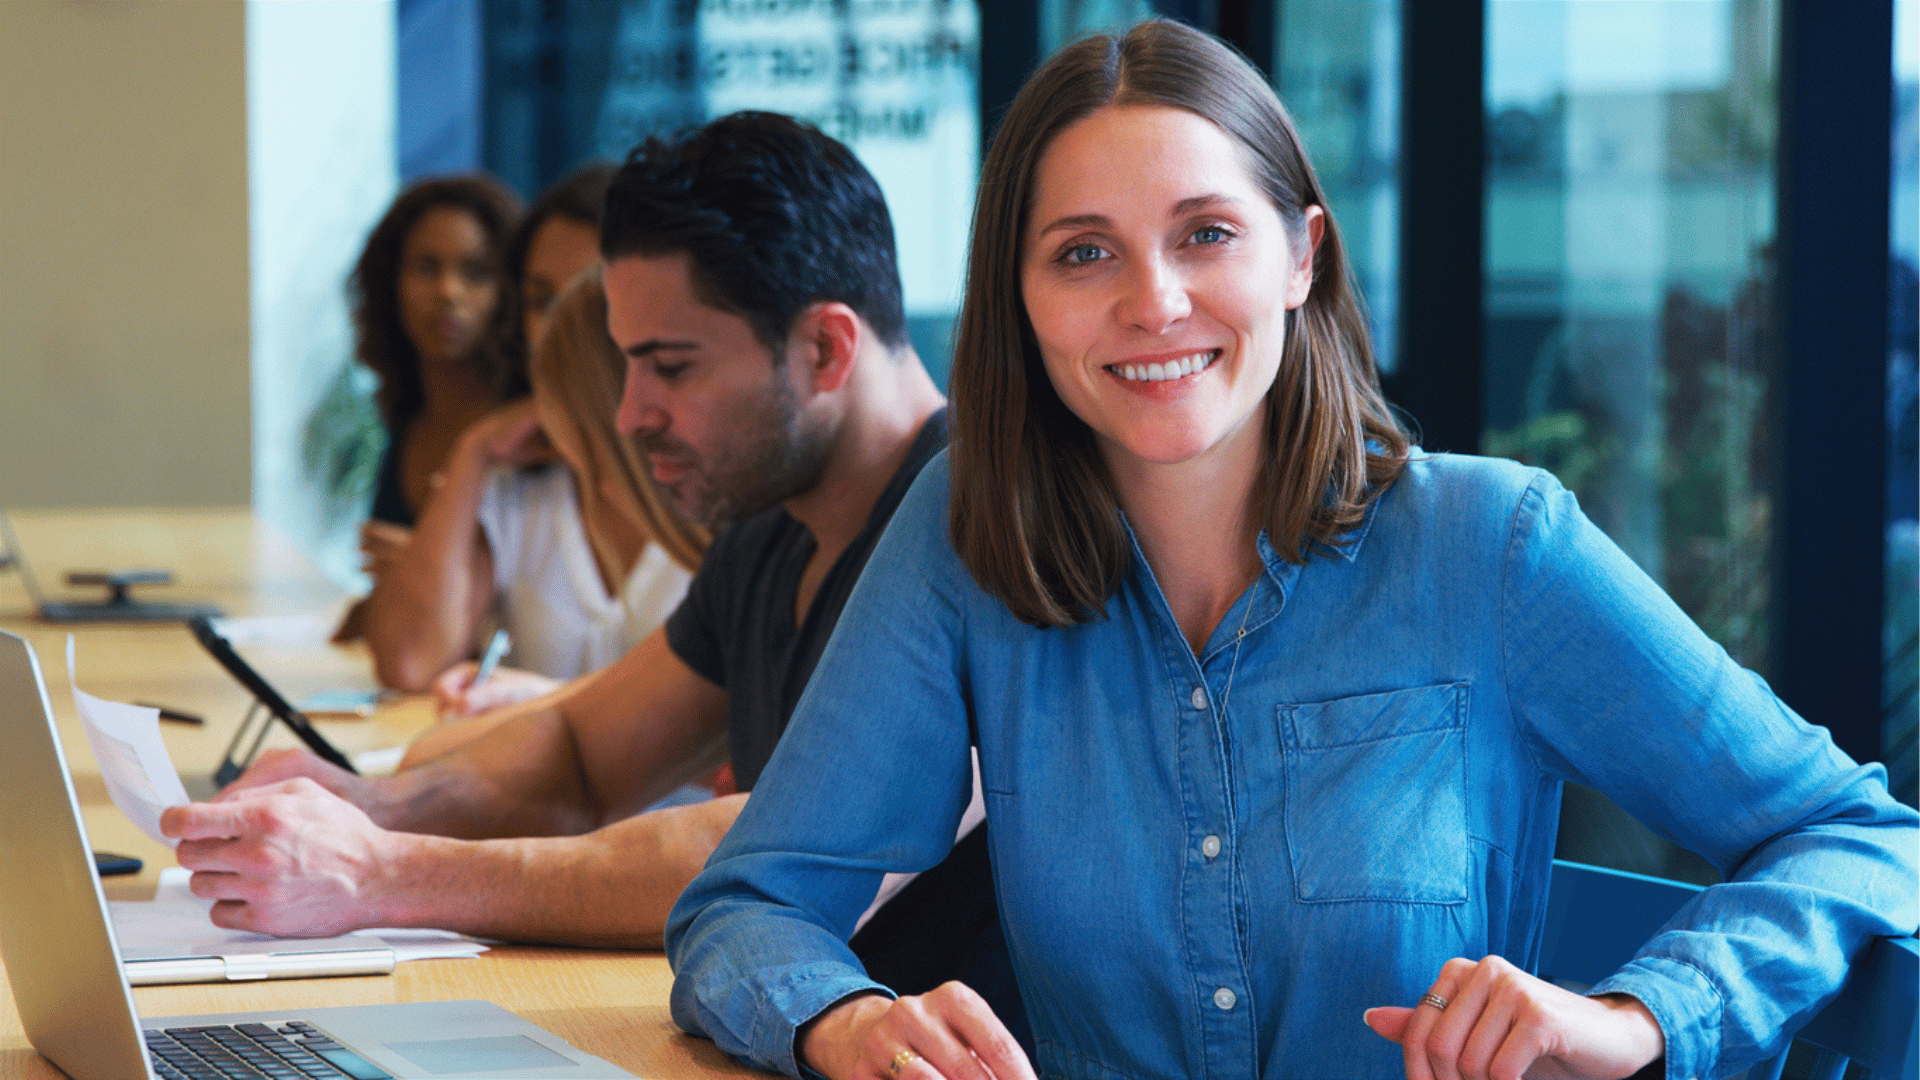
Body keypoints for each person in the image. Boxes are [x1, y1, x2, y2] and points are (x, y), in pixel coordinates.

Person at [662, 21, 1918, 1080]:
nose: (1152, 301)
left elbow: (1865, 837)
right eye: (1084, 252)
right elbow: (747, 908)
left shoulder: (1493, 546)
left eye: (1206, 232)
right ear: (1022, 300)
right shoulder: (962, 542)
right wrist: (849, 1023)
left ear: (1302, 256)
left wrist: (1639, 1016)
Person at [159, 112, 1025, 1041]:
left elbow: (768, 849)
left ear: (824, 349)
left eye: (669, 367)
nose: (629, 413)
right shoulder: (772, 530)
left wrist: (382, 871)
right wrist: (369, 806)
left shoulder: (979, 537)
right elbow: (579, 752)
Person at [362, 163, 706, 697]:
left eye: (587, 302)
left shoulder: (718, 475)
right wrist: (471, 454)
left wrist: (532, 702)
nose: (555, 328)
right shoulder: (516, 482)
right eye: (541, 301)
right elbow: (409, 661)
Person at [331, 175, 524, 644]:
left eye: (476, 273)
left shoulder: (524, 435)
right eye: (426, 267)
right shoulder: (405, 420)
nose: (448, 292)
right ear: (390, 282)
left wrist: (432, 572)